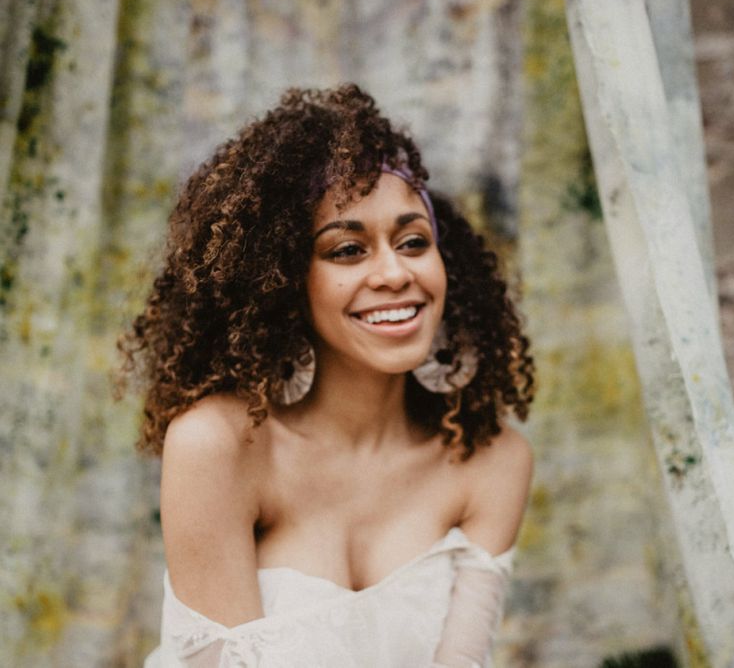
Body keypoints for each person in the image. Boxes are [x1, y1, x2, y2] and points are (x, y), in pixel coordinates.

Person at [116, 83, 536, 667]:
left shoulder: (492, 462)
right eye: (347, 250)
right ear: (285, 280)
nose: (394, 272)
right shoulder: (220, 446)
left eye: (413, 242)